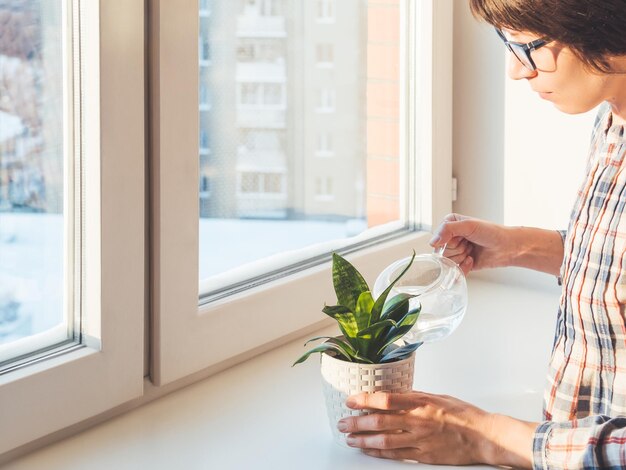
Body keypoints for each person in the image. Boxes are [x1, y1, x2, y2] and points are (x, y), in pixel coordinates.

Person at [337, 0, 626, 467]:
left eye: (527, 45)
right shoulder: (613, 117)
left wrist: (486, 436)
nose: (516, 71)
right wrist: (522, 247)